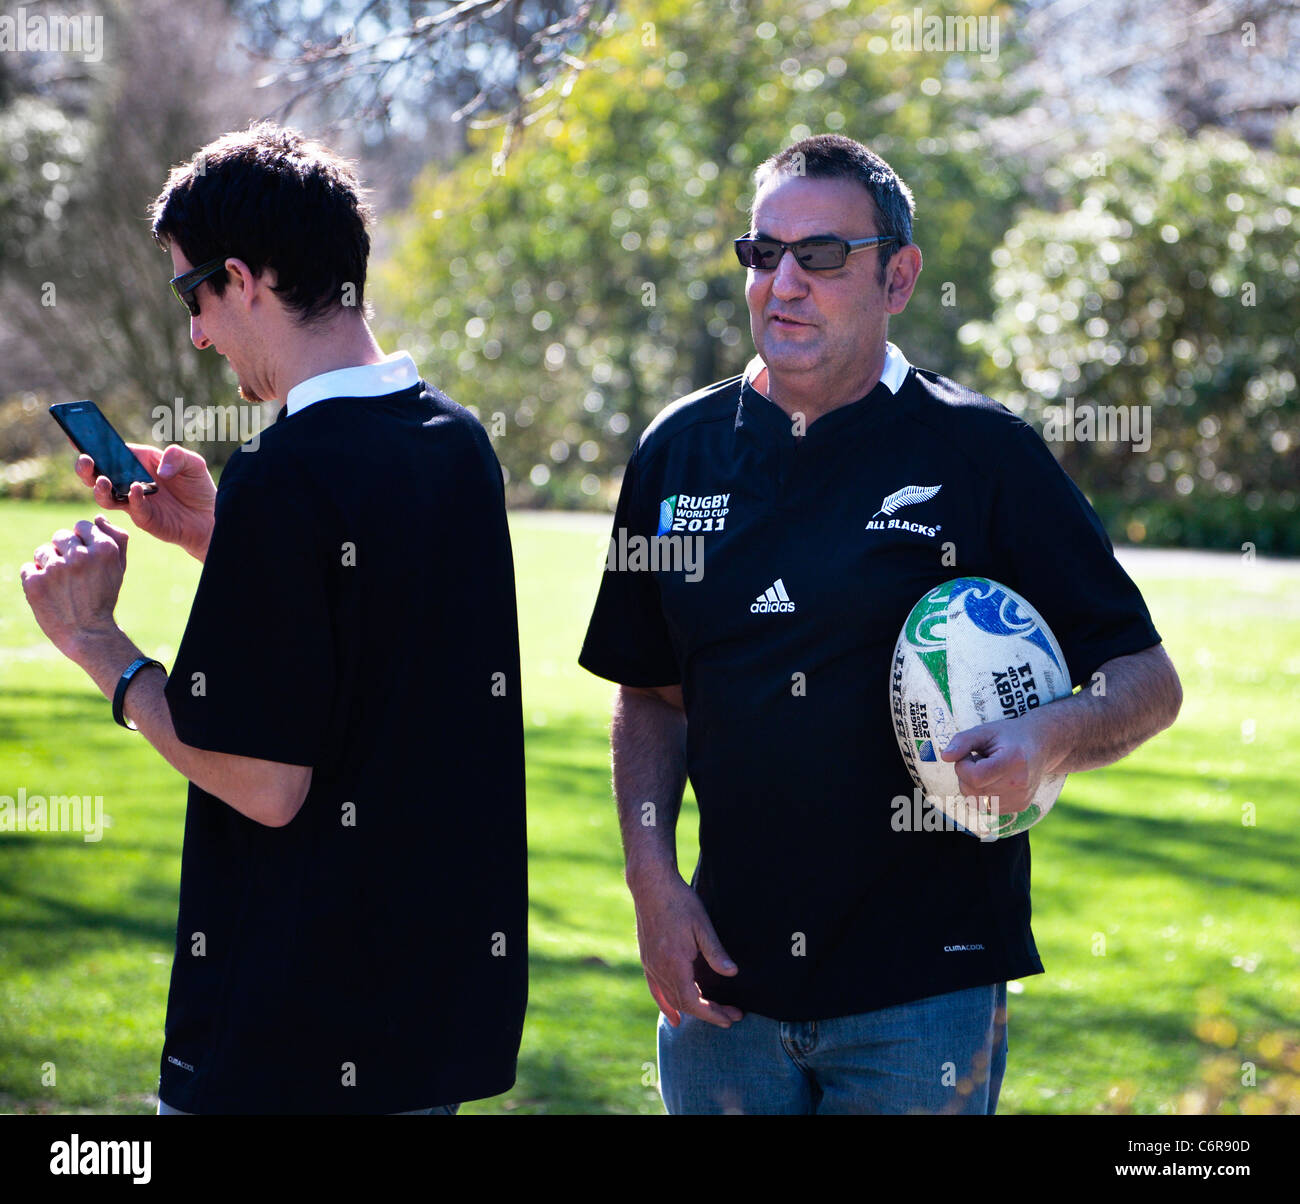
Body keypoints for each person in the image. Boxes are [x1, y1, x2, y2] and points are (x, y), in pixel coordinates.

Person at [578, 133, 1182, 1115]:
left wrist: (1047, 735)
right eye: (761, 253)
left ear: (897, 278)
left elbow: (1145, 678)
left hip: (924, 996)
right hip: (723, 992)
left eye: (819, 257)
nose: (783, 283)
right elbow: (649, 691)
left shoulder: (984, 454)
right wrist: (652, 880)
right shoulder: (676, 455)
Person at [20, 123, 528, 1115]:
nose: (198, 333)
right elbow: (369, 642)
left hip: (289, 1038)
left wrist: (101, 650)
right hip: (426, 1024)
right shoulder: (453, 441)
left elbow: (263, 782)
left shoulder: (289, 472)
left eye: (192, 297)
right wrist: (223, 538)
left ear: (243, 278)